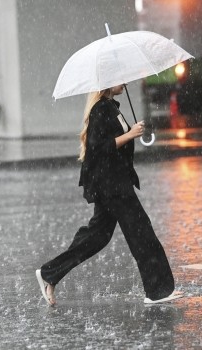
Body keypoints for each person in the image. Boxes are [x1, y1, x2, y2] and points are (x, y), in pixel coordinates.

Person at [36, 84, 182, 306]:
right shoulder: (101, 109)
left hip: (114, 182)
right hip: (112, 185)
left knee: (98, 236)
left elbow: (111, 141)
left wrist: (131, 132)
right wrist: (130, 134)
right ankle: (158, 291)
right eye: (119, 79)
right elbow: (97, 147)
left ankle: (50, 273)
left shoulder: (111, 107)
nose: (124, 83)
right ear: (106, 82)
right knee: (141, 233)